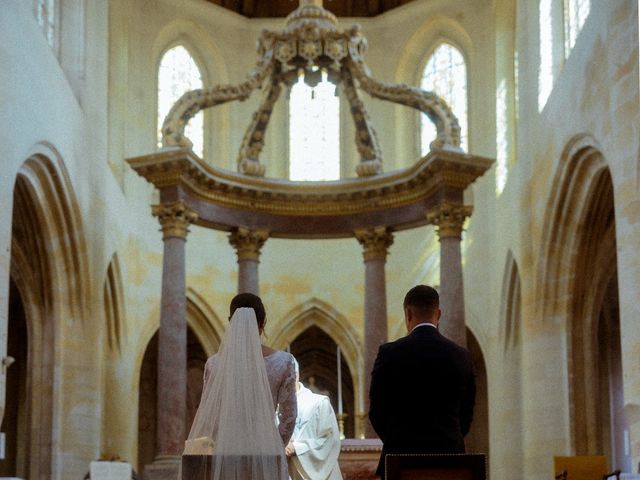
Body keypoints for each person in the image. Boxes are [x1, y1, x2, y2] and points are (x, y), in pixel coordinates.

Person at [183, 293, 298, 480]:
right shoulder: (283, 362)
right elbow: (289, 417)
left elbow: (210, 416)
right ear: (262, 324)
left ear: (231, 322)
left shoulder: (214, 364)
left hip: (226, 451)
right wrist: (274, 443)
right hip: (266, 451)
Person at [368, 285, 476, 478]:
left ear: (408, 314)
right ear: (439, 314)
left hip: (400, 460)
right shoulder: (462, 356)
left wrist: (397, 439)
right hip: (450, 458)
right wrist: (447, 438)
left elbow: (377, 411)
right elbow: (466, 415)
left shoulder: (389, 353)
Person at [285, 359, 343, 480]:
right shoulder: (272, 406)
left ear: (296, 374)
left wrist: (296, 448)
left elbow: (329, 441)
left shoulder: (318, 403)